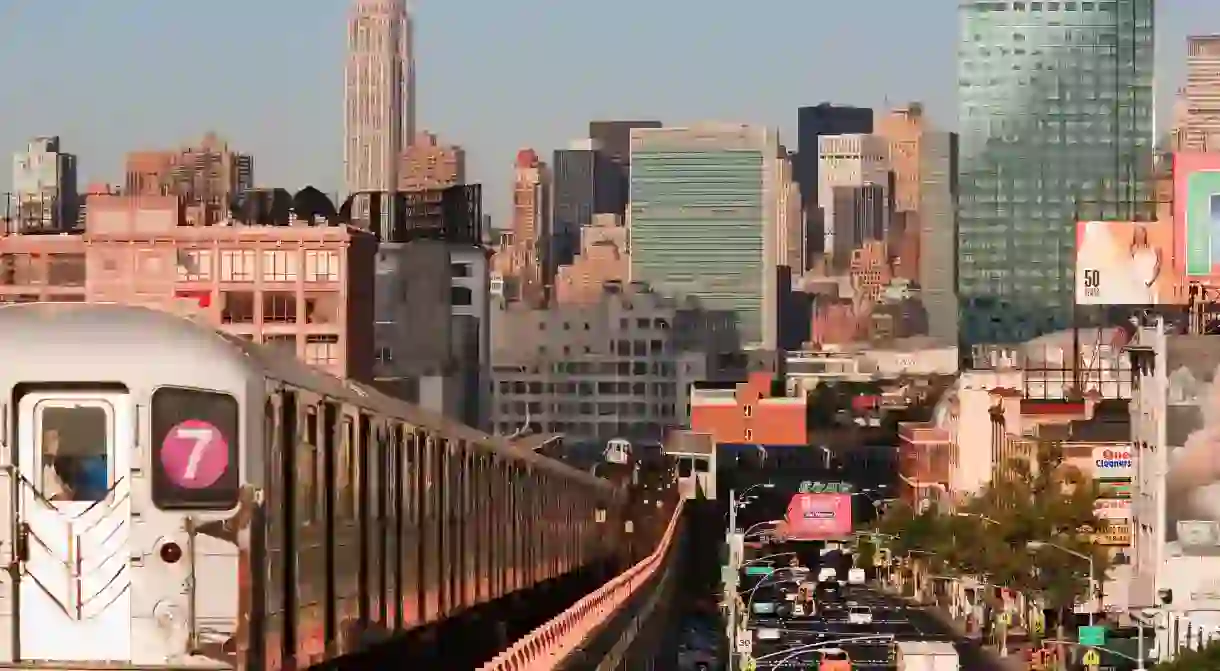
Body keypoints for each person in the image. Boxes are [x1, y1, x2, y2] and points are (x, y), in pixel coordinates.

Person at [1129, 224, 1161, 304]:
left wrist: (1151, 281)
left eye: (1142, 234)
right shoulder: (1133, 249)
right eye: (1137, 234)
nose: (1140, 237)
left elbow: (1158, 265)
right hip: (1138, 285)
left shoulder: (1154, 249)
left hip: (1151, 284)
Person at [40, 429, 73, 501]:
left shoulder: (54, 469)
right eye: (53, 438)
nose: (57, 443)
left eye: (56, 438)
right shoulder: (43, 471)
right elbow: (56, 498)